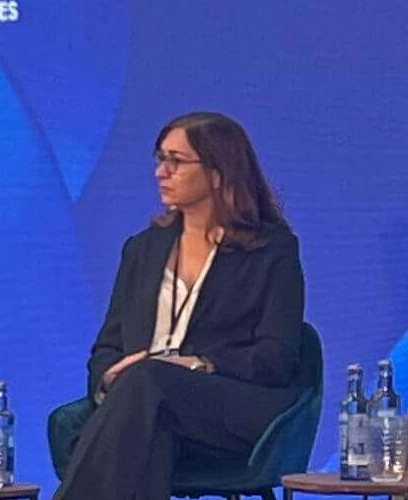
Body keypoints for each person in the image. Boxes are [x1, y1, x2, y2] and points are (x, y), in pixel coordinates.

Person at [59, 112, 317, 500]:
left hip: (234, 405)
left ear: (217, 172)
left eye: (175, 161)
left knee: (150, 381)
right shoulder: (142, 249)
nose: (161, 172)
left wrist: (198, 364)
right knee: (149, 414)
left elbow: (275, 358)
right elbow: (108, 345)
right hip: (146, 401)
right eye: (159, 159)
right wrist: (109, 378)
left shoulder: (270, 251)